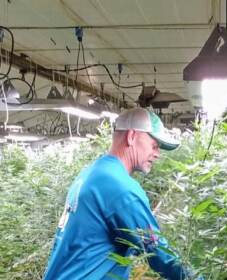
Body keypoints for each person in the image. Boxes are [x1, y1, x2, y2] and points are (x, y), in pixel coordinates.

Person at [44, 108, 201, 280]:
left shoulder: (93, 173)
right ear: (132, 136)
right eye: (154, 145)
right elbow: (158, 252)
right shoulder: (120, 187)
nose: (157, 154)